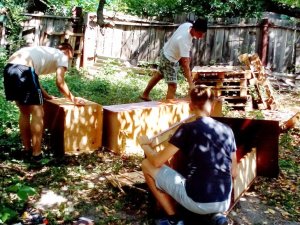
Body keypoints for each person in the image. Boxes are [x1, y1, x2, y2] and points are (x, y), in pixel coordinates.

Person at [139, 85, 237, 225]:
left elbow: (156, 162)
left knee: (146, 165)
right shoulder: (228, 130)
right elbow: (234, 172)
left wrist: (144, 145)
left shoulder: (187, 129)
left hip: (197, 203)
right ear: (214, 105)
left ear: (190, 105)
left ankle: (174, 218)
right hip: (224, 202)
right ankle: (216, 215)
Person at [3, 43, 85, 161]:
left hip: (10, 68)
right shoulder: (62, 55)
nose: (69, 62)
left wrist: (47, 96)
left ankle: (26, 150)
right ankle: (37, 154)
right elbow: (60, 82)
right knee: (38, 112)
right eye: (71, 58)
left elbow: (33, 79)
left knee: (24, 112)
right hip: (25, 68)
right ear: (68, 52)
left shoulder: (46, 52)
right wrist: (73, 99)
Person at [139, 18, 207, 101]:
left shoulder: (187, 25)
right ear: (194, 29)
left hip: (165, 52)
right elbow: (185, 64)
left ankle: (145, 94)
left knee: (159, 75)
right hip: (170, 59)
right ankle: (169, 107)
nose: (201, 37)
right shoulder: (184, 41)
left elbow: (185, 58)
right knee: (173, 85)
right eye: (199, 34)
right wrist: (191, 83)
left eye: (203, 34)